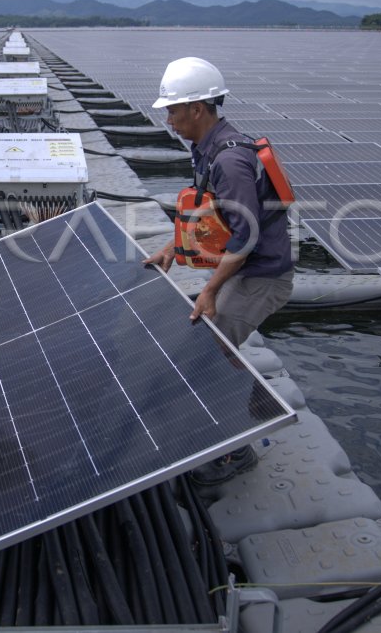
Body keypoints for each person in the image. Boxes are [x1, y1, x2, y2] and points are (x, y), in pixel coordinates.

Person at [143, 56, 294, 486]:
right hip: (245, 269)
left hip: (260, 277)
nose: (169, 119)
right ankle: (244, 415)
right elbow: (211, 216)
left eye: (172, 110)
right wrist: (172, 247)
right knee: (207, 349)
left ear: (197, 108)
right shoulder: (208, 149)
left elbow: (243, 238)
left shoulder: (229, 162)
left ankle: (236, 451)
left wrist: (208, 291)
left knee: (209, 354)